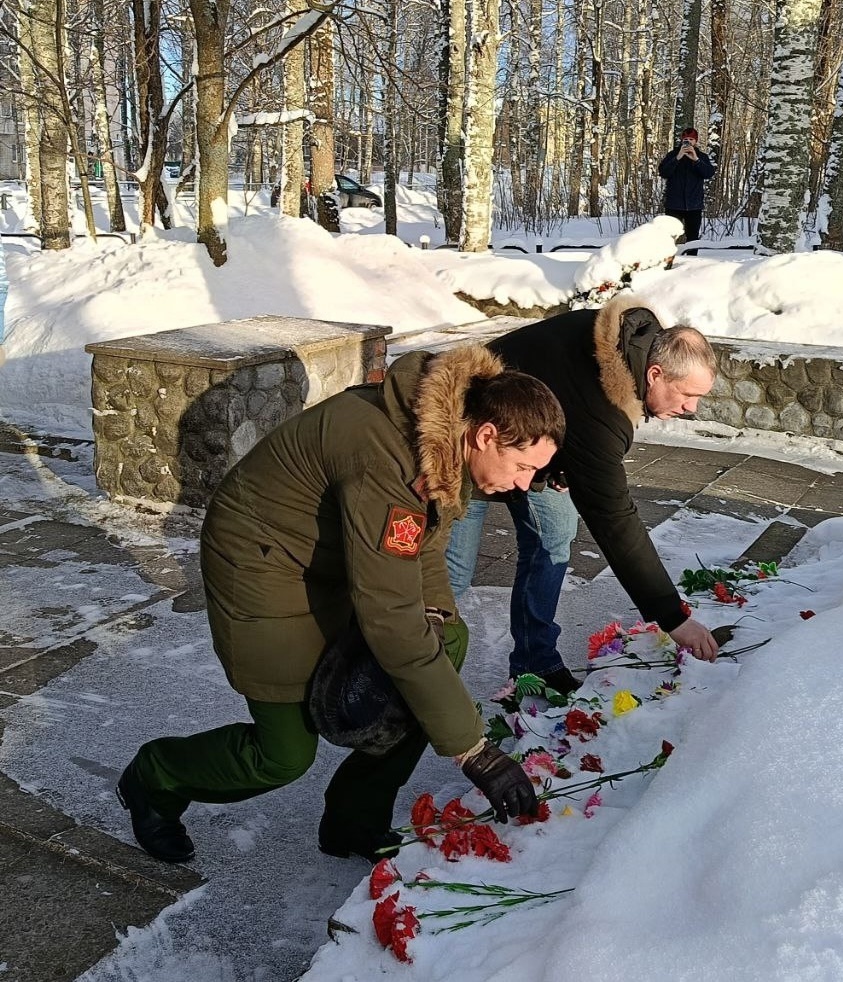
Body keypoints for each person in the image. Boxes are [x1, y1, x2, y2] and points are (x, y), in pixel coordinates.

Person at [117, 344, 566, 864]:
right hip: (260, 561)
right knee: (283, 754)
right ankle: (155, 777)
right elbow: (390, 617)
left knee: (444, 639)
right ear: (486, 435)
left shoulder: (443, 436)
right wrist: (474, 750)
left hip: (336, 555)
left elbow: (424, 545)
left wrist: (433, 614)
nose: (523, 485)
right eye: (522, 466)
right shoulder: (387, 459)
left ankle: (355, 820)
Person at [446, 293, 720, 696]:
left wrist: (561, 462)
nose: (692, 408)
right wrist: (672, 616)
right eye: (686, 395)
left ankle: (535, 661)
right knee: (452, 569)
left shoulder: (626, 345)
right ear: (655, 373)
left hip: (536, 445)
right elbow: (614, 519)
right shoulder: (602, 411)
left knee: (554, 534)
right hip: (472, 441)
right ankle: (409, 678)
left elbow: (562, 396)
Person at [659, 126, 715, 256]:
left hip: (694, 205)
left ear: (696, 141)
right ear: (681, 140)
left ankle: (692, 262)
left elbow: (709, 173)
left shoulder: (701, 157)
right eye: (686, 139)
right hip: (674, 204)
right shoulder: (672, 155)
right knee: (669, 237)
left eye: (691, 139)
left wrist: (696, 160)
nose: (688, 142)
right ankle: (668, 261)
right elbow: (663, 172)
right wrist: (677, 158)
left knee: (693, 238)